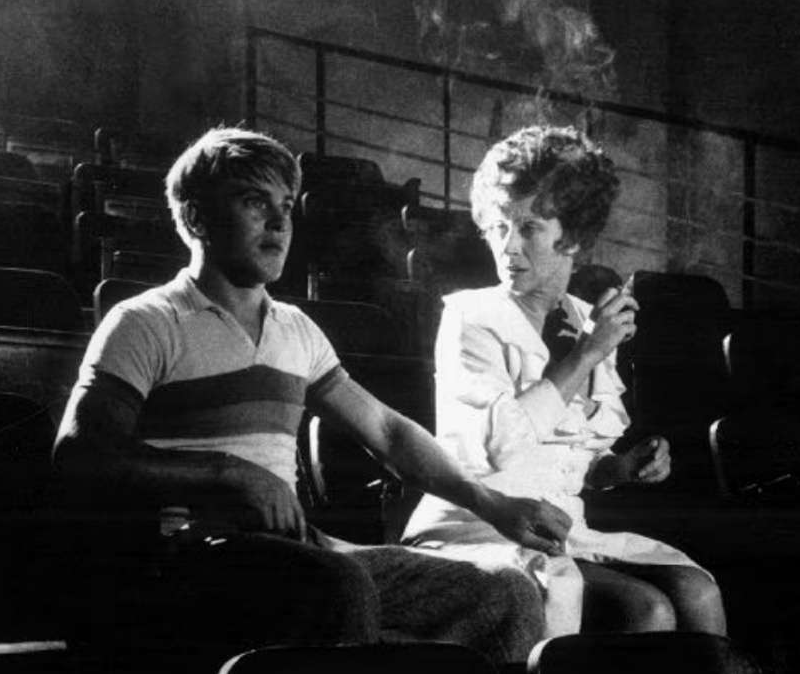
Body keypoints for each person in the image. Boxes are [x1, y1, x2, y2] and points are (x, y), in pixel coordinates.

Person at [52, 126, 575, 665]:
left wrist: (491, 504)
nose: (279, 222)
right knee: (340, 585)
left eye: (285, 206)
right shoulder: (145, 322)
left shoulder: (296, 329)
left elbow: (388, 433)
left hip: (298, 552)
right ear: (197, 217)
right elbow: (80, 454)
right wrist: (230, 473)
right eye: (255, 202)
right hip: (189, 557)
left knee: (506, 592)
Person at [403, 125, 726, 636]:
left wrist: (620, 467)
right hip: (480, 528)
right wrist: (588, 352)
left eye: (528, 228)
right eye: (498, 227)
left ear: (573, 236)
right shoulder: (470, 317)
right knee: (647, 611)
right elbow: (502, 447)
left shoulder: (584, 318)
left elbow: (573, 462)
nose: (508, 247)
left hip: (559, 531)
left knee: (698, 591)